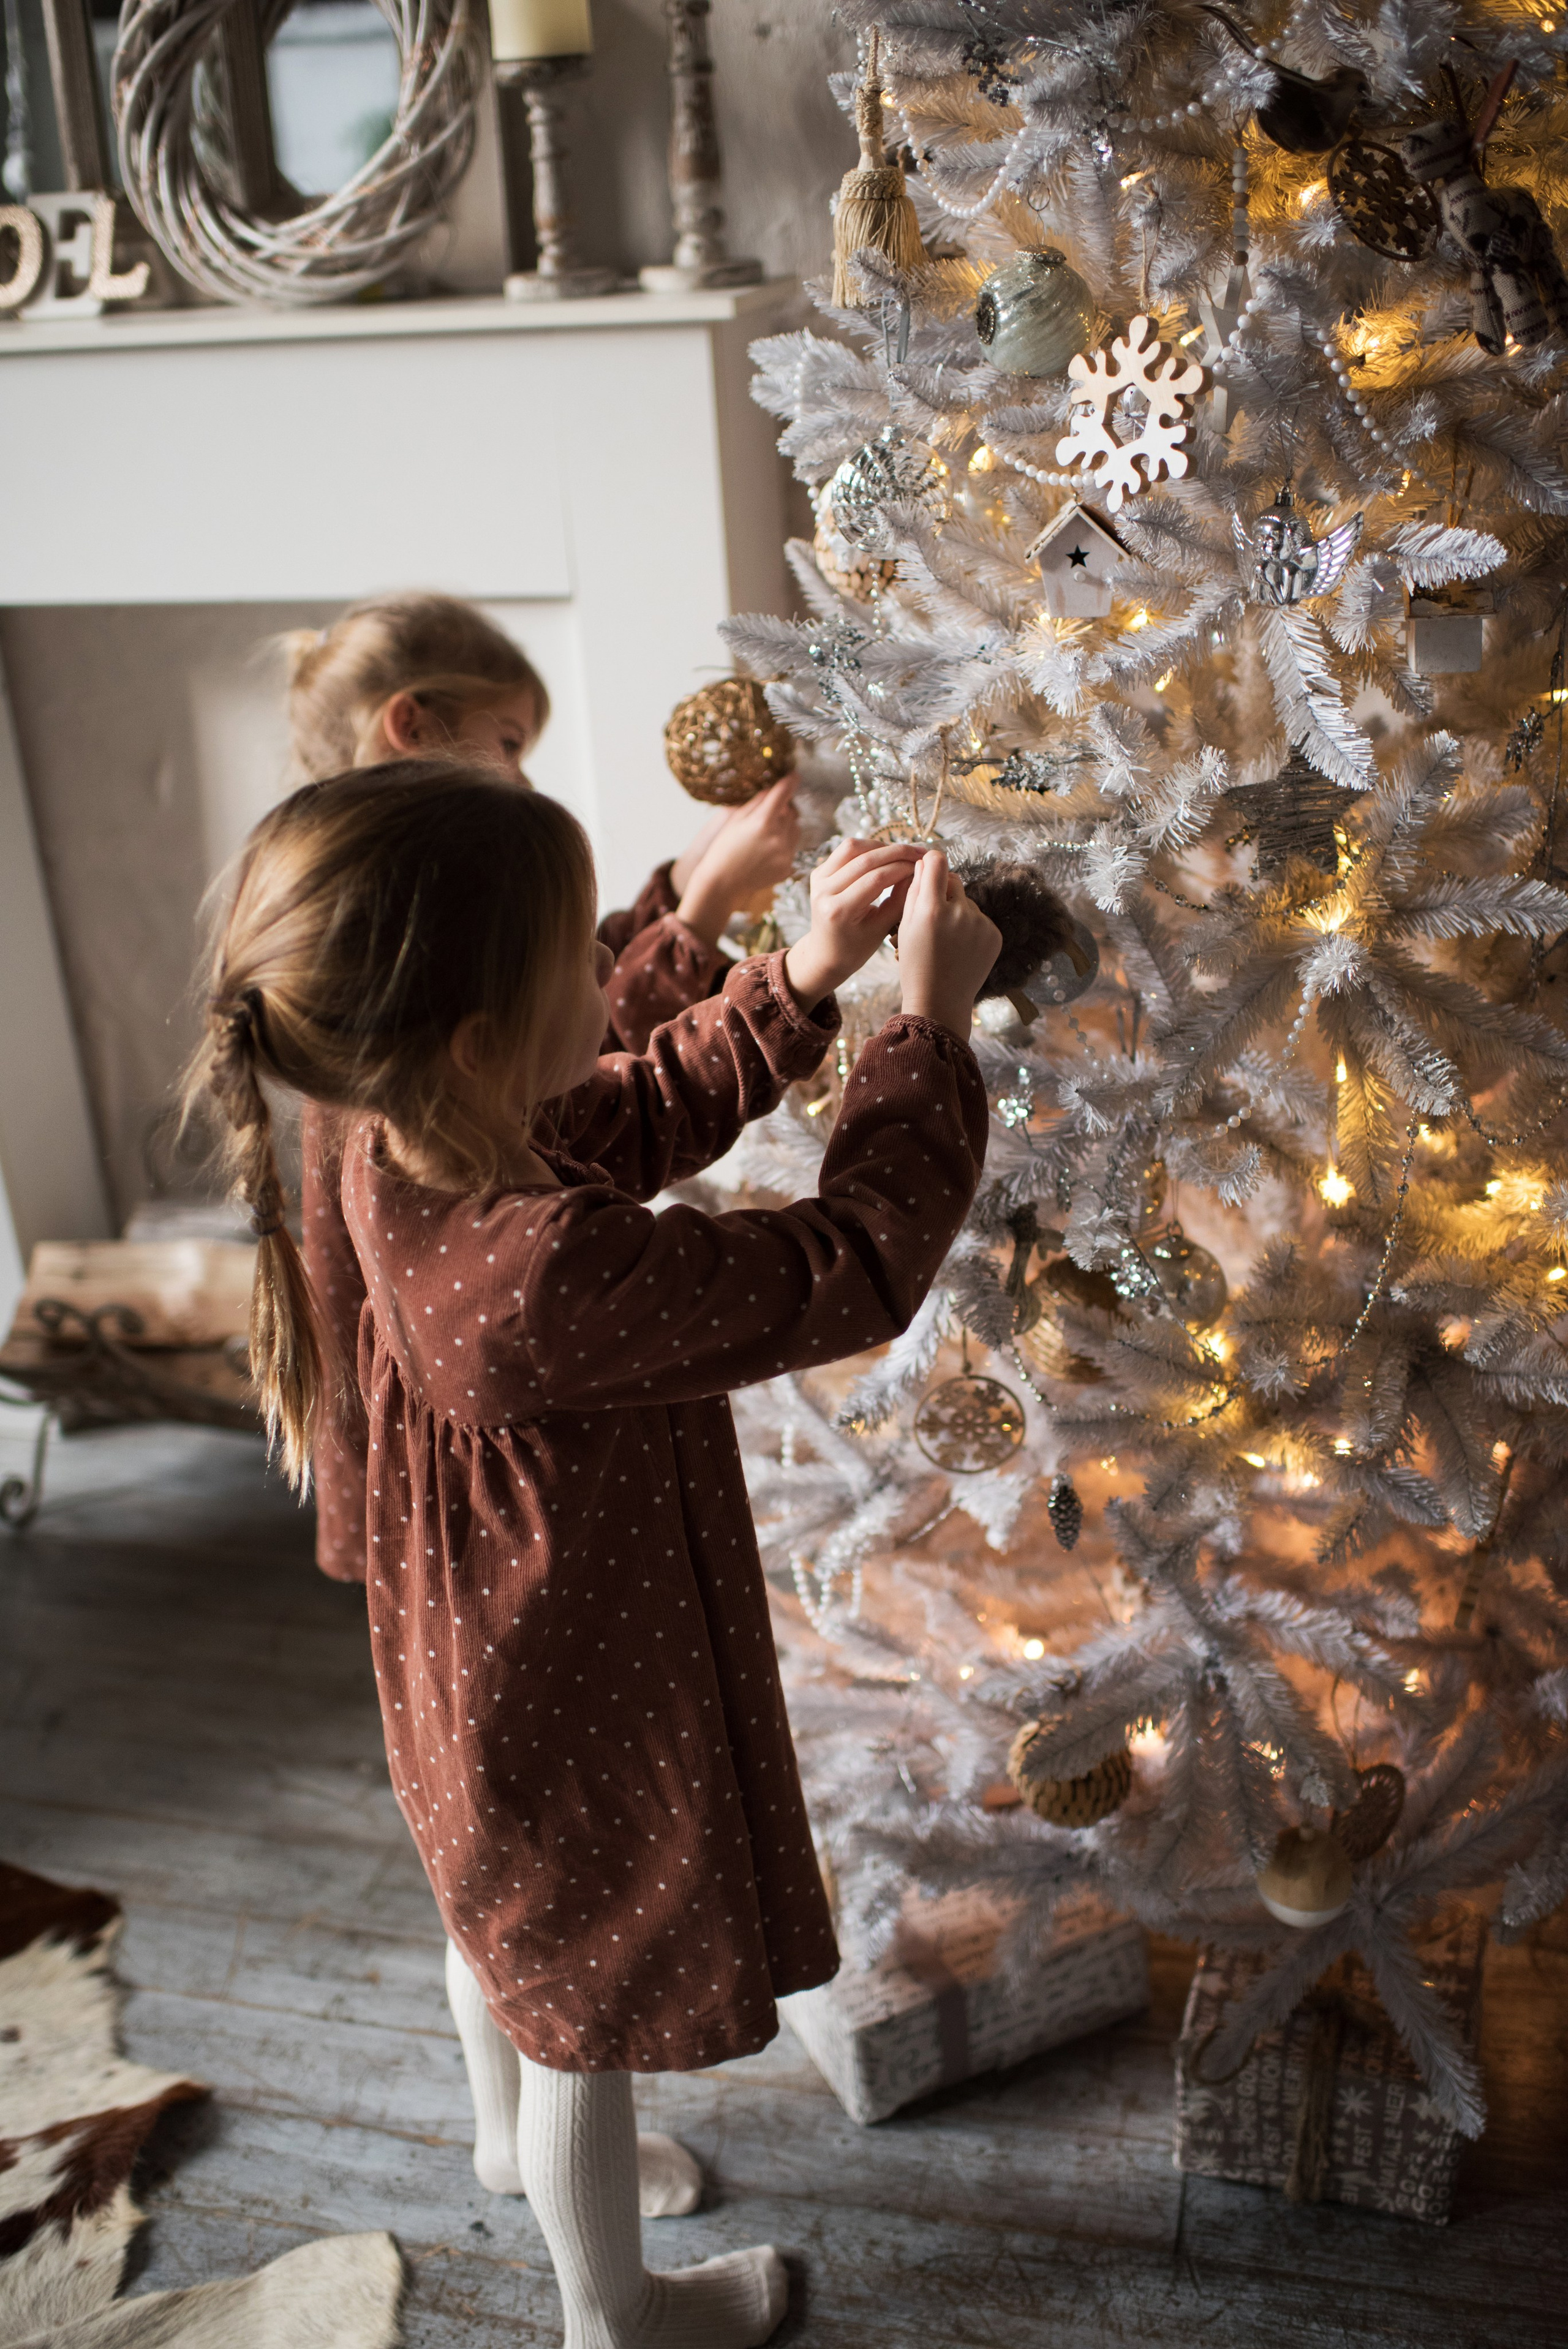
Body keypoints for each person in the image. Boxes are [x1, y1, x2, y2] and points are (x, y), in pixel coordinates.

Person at [185, 765, 997, 2349]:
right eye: (580, 966)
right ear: (481, 1039)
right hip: (553, 1675)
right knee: (580, 2018)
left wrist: (804, 972)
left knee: (496, 1927)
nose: (611, 993)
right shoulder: (537, 1268)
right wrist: (926, 1030)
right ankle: (613, 2313)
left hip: (470, 1661)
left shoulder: (401, 1129)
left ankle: (504, 2144)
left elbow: (629, 1104)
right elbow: (845, 1262)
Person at [284, 594, 799, 1588]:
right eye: (510, 741)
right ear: (413, 724)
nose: (521, 772)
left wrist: (679, 892)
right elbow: (561, 1066)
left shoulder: (390, 886)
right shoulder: (403, 927)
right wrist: (705, 912)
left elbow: (553, 999)